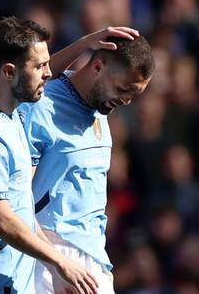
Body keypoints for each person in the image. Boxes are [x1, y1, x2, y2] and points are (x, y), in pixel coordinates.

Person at [0, 16, 138, 294]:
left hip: (12, 278)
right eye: (40, 66)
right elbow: (0, 218)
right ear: (9, 72)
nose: (49, 73)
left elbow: (35, 72)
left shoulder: (7, 116)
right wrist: (59, 261)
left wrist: (85, 43)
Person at [20, 35, 155, 293]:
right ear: (97, 67)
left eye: (135, 94)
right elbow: (19, 196)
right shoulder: (41, 108)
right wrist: (55, 264)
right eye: (123, 88)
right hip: (48, 257)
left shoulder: (101, 109)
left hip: (94, 257)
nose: (127, 100)